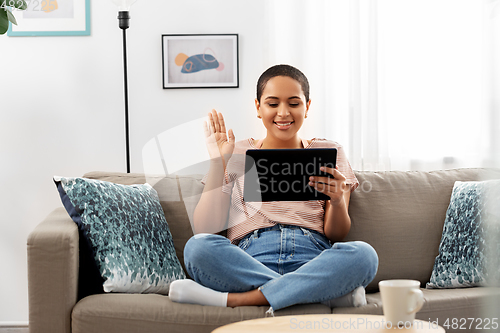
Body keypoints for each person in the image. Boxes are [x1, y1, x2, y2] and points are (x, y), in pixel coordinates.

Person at [169, 64, 378, 313]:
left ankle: (242, 299)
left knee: (364, 255)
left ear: (307, 107)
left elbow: (336, 234)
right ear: (258, 107)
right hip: (249, 257)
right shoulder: (236, 151)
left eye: (293, 103)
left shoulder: (330, 152)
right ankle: (313, 294)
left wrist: (337, 201)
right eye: (272, 103)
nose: (283, 113)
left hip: (311, 256)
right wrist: (219, 162)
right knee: (197, 248)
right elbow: (206, 229)